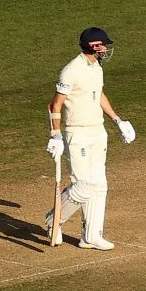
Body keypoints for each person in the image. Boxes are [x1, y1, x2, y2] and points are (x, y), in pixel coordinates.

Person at [43, 27, 134, 250]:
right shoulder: (71, 71)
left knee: (99, 185)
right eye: (103, 45)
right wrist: (55, 134)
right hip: (78, 133)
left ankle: (91, 237)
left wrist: (117, 121)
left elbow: (98, 94)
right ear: (93, 46)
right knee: (82, 186)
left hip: (97, 131)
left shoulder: (97, 67)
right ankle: (53, 221)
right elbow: (55, 105)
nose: (106, 49)